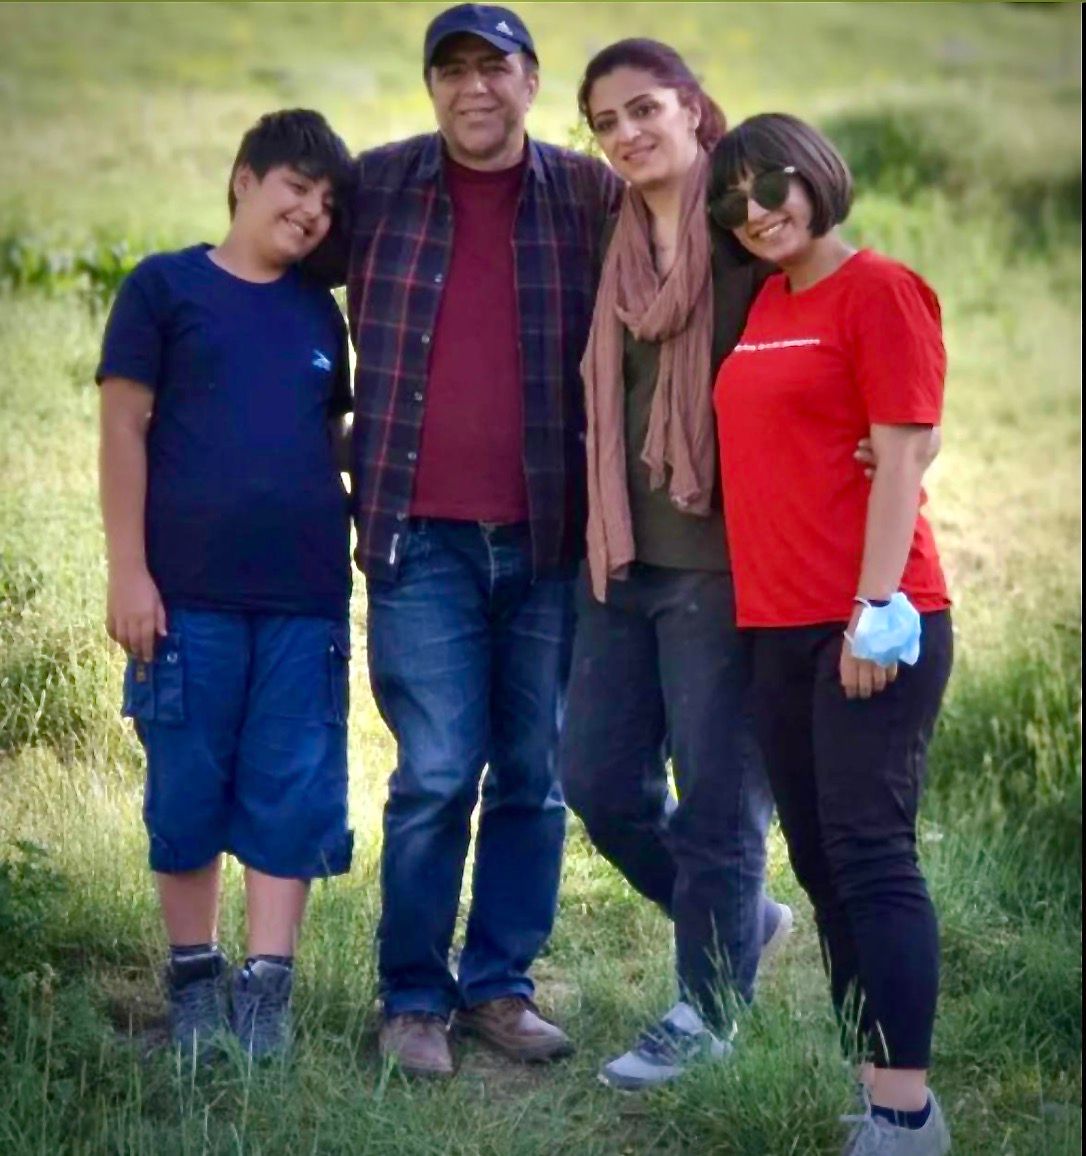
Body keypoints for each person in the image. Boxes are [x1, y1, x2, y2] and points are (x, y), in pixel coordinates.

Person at [316, 4, 623, 1077]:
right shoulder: (379, 185)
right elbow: (279, 265)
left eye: (493, 68)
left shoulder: (587, 192)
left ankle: (498, 986)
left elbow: (680, 267)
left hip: (548, 539)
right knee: (438, 771)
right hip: (419, 536)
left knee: (531, 772)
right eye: (451, 71)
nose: (472, 89)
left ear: (533, 81)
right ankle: (411, 997)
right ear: (432, 88)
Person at [711, 113, 953, 1155]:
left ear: (815, 176)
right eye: (736, 201)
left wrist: (874, 609)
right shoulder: (766, 299)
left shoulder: (881, 287)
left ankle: (906, 1113)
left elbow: (902, 456)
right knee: (817, 858)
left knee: (871, 852)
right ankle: (881, 1093)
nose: (757, 213)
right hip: (774, 621)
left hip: (873, 617)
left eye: (773, 188)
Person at [559, 39, 794, 1092]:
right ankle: (741, 921)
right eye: (605, 122)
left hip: (728, 560)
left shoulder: (744, 226)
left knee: (716, 800)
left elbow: (836, 314)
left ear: (694, 109)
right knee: (597, 782)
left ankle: (707, 1007)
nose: (625, 135)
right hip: (620, 552)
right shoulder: (605, 238)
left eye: (643, 109)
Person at [97, 109, 355, 1061]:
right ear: (244, 179)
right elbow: (123, 430)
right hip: (185, 597)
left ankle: (268, 993)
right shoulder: (165, 288)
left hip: (306, 598)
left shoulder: (317, 313)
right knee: (189, 794)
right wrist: (129, 571)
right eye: (297, 187)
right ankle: (195, 983)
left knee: (293, 791)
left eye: (328, 204)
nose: (312, 212)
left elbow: (329, 442)